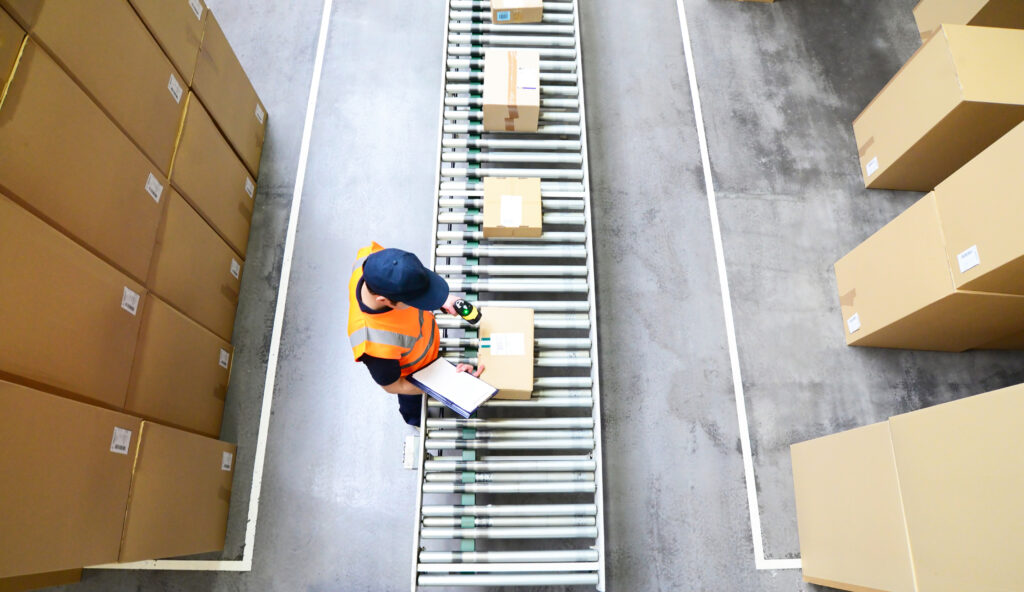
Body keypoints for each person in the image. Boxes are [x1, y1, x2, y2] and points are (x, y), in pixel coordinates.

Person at [348, 242, 482, 427]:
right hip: (415, 374)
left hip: (425, 344)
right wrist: (449, 384)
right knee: (413, 409)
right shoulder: (373, 344)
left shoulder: (372, 258)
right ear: (384, 300)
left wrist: (441, 299)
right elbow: (395, 386)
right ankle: (414, 420)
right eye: (415, 300)